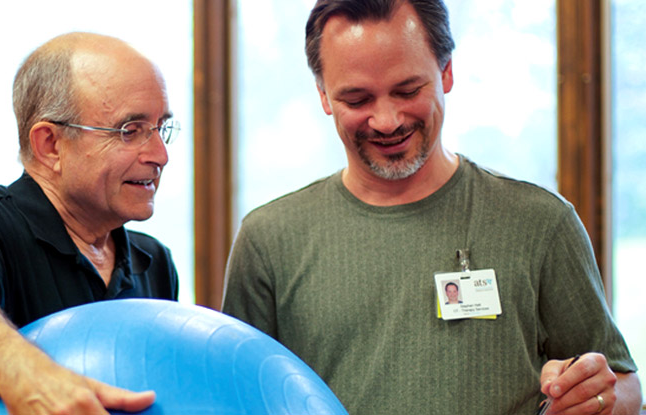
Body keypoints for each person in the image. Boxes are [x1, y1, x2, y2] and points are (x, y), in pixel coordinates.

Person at [221, 1, 641, 414]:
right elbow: (230, 399)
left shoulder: (540, 223)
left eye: (408, 90)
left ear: (446, 71)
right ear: (323, 95)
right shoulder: (268, 240)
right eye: (357, 99)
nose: (386, 120)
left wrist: (595, 399)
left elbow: (624, 387)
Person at [0, 32, 180, 414]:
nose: (160, 155)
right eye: (130, 130)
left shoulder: (154, 261)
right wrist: (29, 372)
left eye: (161, 128)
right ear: (50, 145)